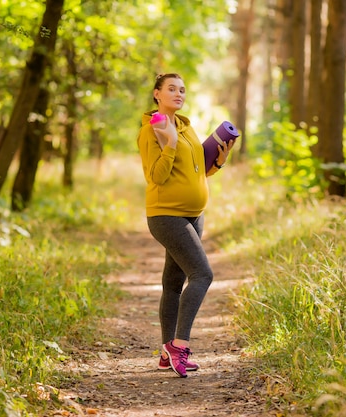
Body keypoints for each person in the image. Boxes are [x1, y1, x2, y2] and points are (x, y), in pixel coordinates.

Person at [136, 73, 235, 378]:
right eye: (171, 89)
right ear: (157, 94)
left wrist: (218, 160)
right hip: (166, 214)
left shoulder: (185, 126)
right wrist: (170, 145)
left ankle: (166, 353)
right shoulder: (152, 130)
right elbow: (156, 176)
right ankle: (179, 347)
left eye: (182, 90)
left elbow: (197, 173)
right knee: (203, 274)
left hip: (194, 214)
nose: (178, 94)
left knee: (173, 283)